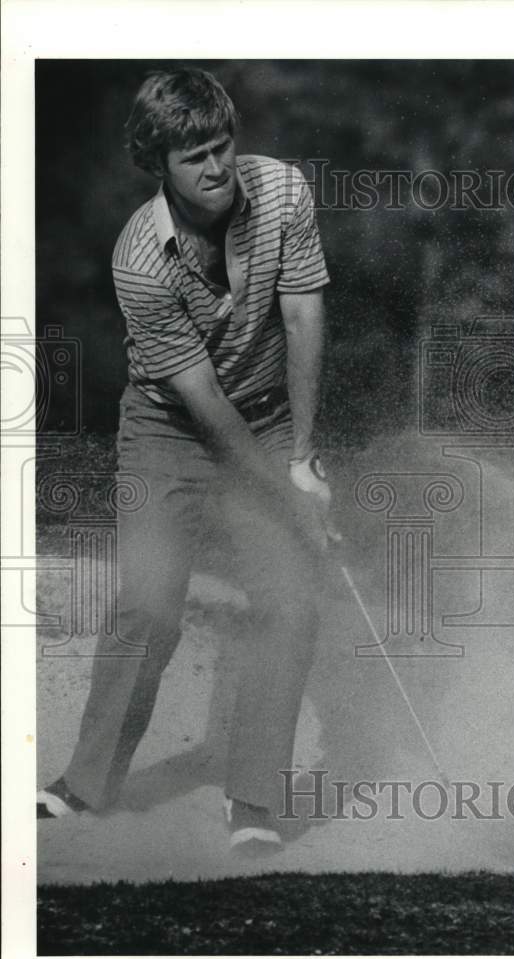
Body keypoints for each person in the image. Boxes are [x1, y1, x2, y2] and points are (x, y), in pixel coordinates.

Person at [37, 67, 338, 855]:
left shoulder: (283, 193)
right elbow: (203, 404)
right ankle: (87, 786)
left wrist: (301, 459)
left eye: (222, 145)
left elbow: (304, 315)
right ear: (157, 164)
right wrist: (288, 494)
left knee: (290, 598)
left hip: (271, 420)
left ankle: (255, 806)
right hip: (168, 429)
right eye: (194, 156)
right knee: (149, 605)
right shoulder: (140, 259)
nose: (217, 167)